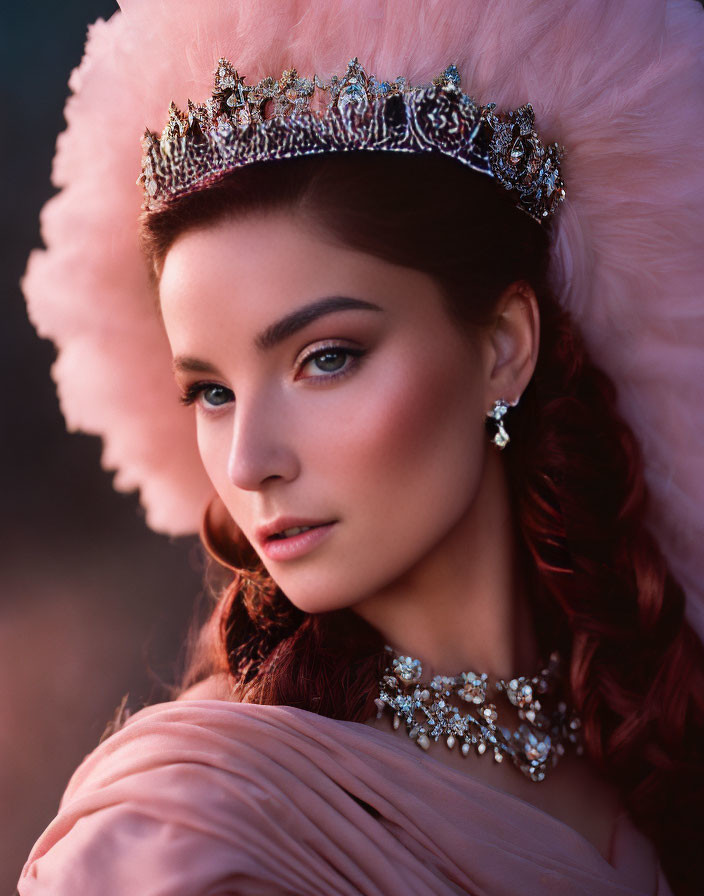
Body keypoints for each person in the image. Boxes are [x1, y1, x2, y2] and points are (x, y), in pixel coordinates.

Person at [17, 0, 704, 893]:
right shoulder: (190, 827)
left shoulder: (642, 743)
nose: (246, 463)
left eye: (325, 359)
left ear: (502, 348)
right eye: (213, 392)